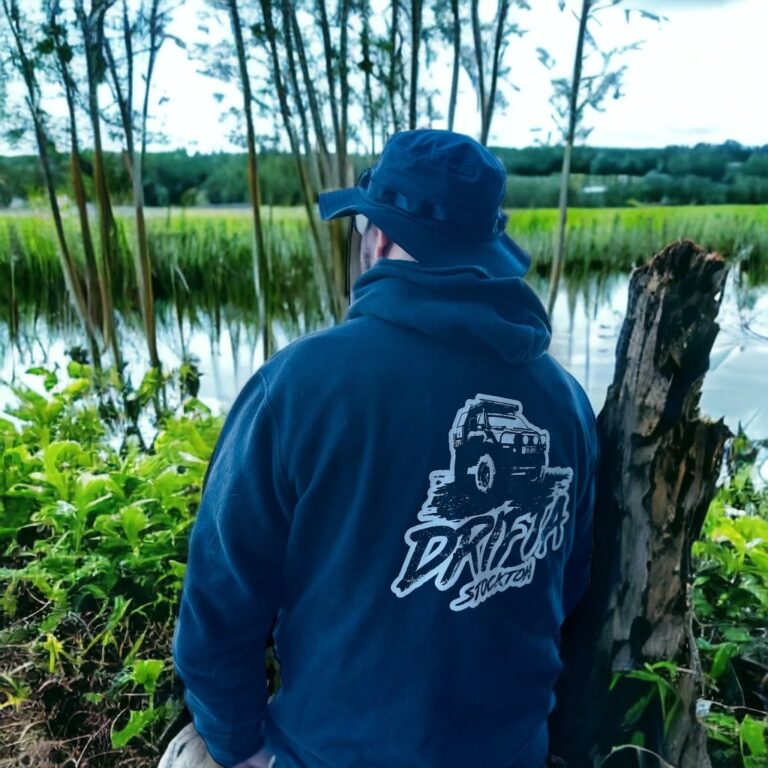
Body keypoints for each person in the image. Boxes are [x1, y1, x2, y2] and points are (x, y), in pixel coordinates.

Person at [169, 129, 598, 768]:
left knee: (187, 752)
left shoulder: (298, 387)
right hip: (512, 755)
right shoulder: (565, 403)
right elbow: (569, 586)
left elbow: (216, 611)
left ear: (377, 239)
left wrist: (241, 749)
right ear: (487, 250)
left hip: (326, 756)